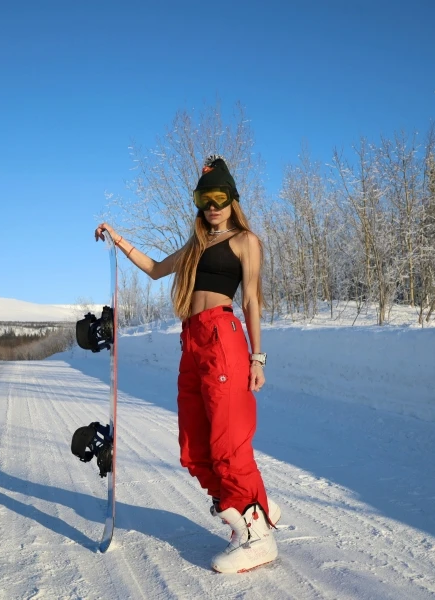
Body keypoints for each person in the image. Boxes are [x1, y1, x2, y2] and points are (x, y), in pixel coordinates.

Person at [94, 155, 280, 573]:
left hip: (223, 339)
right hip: (192, 341)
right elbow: (157, 269)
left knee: (226, 443)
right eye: (204, 198)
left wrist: (257, 356)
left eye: (220, 197)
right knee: (193, 448)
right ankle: (253, 509)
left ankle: (256, 533)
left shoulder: (245, 240)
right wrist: (118, 240)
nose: (212, 206)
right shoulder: (196, 244)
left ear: (233, 198)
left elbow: (250, 299)